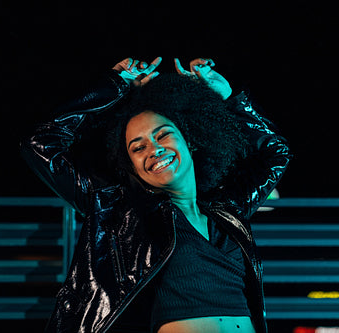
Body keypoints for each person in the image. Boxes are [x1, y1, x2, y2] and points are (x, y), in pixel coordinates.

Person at [21, 56, 291, 333]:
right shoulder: (121, 212)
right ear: (133, 167)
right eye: (137, 148)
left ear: (190, 142)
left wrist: (228, 97)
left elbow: (277, 154)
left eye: (162, 135)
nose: (153, 149)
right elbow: (41, 144)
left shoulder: (228, 212)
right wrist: (115, 86)